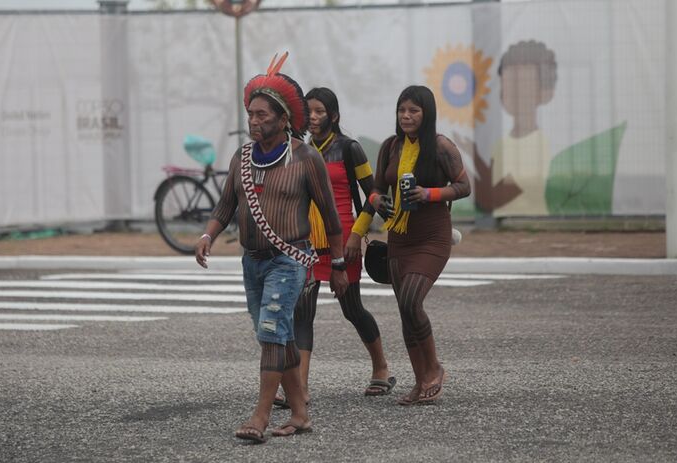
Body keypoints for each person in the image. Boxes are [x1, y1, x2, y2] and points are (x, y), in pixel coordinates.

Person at [194, 53, 348, 443]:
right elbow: (226, 205)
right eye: (251, 114)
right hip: (252, 262)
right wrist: (208, 235)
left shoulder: (305, 157)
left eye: (263, 115)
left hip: (289, 260)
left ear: (283, 120)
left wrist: (341, 264)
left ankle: (260, 417)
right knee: (277, 336)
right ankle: (300, 413)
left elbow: (331, 218)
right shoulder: (241, 158)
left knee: (271, 332)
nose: (254, 121)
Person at [289, 87, 394, 403]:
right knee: (302, 313)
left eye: (320, 111)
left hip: (343, 240)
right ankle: (300, 388)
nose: (314, 117)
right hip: (308, 241)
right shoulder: (301, 150)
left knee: (352, 309)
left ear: (333, 115)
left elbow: (372, 195)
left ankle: (382, 368)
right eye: (309, 112)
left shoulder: (350, 149)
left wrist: (355, 236)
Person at [368, 85, 471, 405]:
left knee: (412, 301)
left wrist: (430, 194)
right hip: (400, 236)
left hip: (431, 236)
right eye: (402, 110)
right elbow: (373, 190)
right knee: (405, 311)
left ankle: (434, 368)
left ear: (427, 114)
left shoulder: (441, 147)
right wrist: (378, 202)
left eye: (413, 110)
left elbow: (464, 186)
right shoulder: (390, 147)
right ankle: (419, 381)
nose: (406, 116)